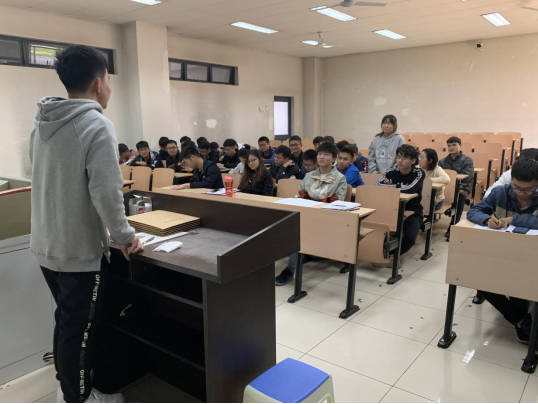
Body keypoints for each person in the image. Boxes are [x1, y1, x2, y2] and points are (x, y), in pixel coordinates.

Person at [30, 45, 144, 404]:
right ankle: (77, 398)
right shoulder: (96, 123)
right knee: (78, 332)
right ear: (99, 82)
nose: (109, 87)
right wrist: (125, 236)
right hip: (77, 250)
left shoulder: (42, 122)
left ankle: (69, 388)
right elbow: (106, 191)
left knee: (66, 322)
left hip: (46, 244)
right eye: (108, 79)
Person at [467, 158, 538, 344]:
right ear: (511, 180)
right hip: (502, 253)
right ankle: (521, 321)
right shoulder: (500, 193)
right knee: (478, 278)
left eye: (528, 190)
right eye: (517, 187)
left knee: (518, 284)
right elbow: (474, 211)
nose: (521, 193)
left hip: (531, 257)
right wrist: (485, 219)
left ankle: (523, 324)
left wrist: (514, 220)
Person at [275, 142, 348, 286]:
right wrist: (314, 201)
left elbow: (335, 204)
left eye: (326, 154)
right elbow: (300, 196)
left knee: (299, 231)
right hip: (305, 216)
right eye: (320, 154)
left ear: (334, 158)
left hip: (327, 219)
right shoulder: (308, 176)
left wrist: (312, 201)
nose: (322, 157)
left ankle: (290, 269)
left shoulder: (340, 179)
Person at [377, 145, 425, 264]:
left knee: (409, 237)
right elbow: (379, 185)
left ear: (413, 160)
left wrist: (390, 186)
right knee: (376, 230)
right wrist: (399, 186)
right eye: (398, 157)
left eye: (404, 158)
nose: (399, 160)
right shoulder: (391, 170)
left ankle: (392, 256)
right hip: (391, 208)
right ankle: (381, 255)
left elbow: (411, 189)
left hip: (413, 211)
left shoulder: (419, 173)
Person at [439, 137, 474, 236]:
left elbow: (467, 177)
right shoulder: (442, 161)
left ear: (460, 146)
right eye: (449, 145)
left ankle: (454, 224)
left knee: (460, 195)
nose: (451, 147)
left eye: (454, 145)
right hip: (446, 186)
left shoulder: (467, 160)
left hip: (462, 186)